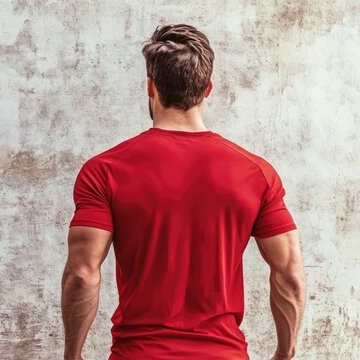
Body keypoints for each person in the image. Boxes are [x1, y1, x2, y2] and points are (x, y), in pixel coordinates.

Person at [60, 24, 307, 360]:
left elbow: (81, 274)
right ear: (208, 88)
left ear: (151, 86)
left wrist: (72, 356)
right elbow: (290, 275)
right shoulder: (256, 173)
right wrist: (284, 353)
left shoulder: (104, 170)